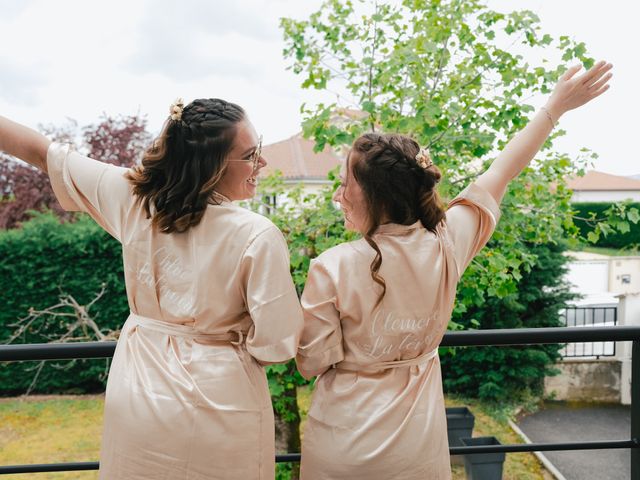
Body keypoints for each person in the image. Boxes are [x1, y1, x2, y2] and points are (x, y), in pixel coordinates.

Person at [295, 61, 613, 479]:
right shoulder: (446, 243)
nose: (339, 194)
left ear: (375, 197)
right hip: (415, 449)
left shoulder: (330, 266)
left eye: (344, 183)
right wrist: (554, 108)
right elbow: (502, 171)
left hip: (343, 443)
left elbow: (311, 362)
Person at [0, 97, 304, 479]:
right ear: (211, 165)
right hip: (221, 399)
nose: (262, 163)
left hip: (139, 391)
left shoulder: (133, 200)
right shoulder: (257, 235)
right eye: (250, 154)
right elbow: (277, 344)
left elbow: (42, 152)